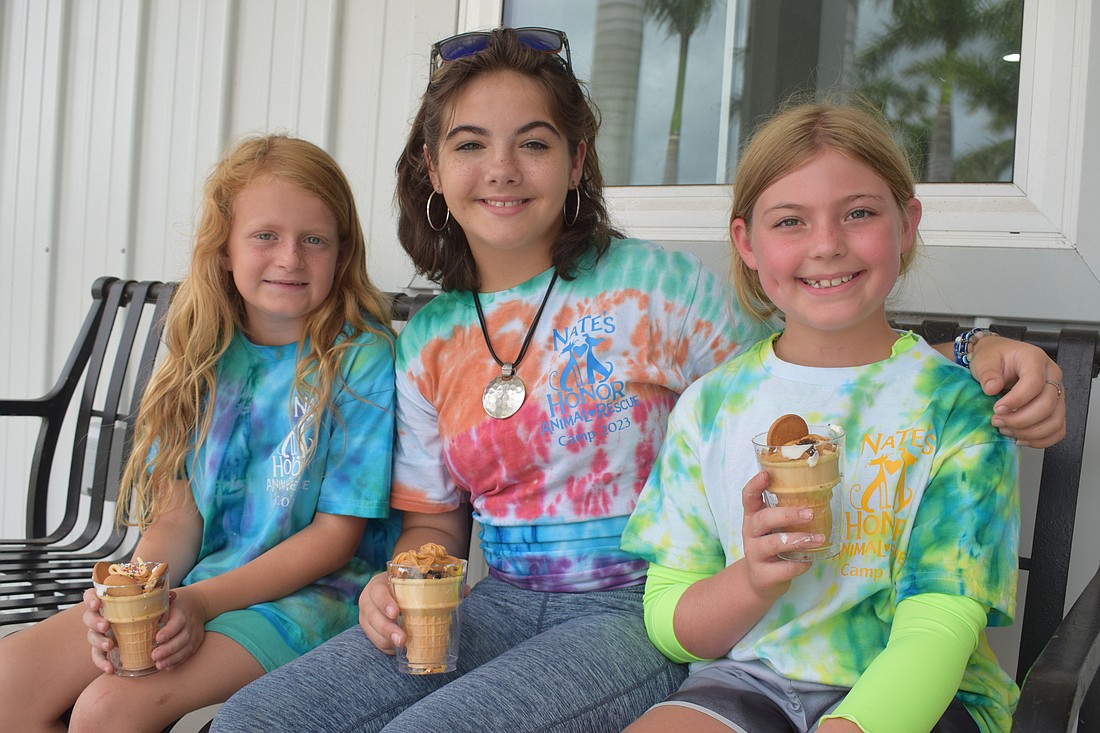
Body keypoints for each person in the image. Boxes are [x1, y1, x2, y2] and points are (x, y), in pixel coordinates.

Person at [213, 29, 1061, 733]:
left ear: (576, 160)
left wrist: (971, 350)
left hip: (635, 610)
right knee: (257, 719)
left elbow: (812, 360)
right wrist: (406, 579)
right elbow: (434, 520)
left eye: (534, 143)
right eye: (470, 145)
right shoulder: (429, 338)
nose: (502, 169)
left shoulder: (660, 289)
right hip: (495, 601)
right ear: (433, 168)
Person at [620, 101, 1020, 733]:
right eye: (790, 221)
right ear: (747, 242)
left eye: (859, 213)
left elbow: (941, 624)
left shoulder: (955, 408)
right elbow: (670, 623)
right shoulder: (709, 407)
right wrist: (753, 581)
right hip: (749, 683)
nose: (828, 245)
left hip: (926, 696)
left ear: (906, 224)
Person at [0, 134, 400, 733]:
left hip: (317, 598)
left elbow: (335, 538)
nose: (290, 258)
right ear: (224, 250)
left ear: (342, 254)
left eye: (314, 240)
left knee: (109, 710)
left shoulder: (359, 359)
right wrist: (135, 595)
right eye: (265, 236)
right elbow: (175, 519)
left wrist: (200, 601)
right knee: (10, 680)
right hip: (199, 584)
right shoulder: (201, 352)